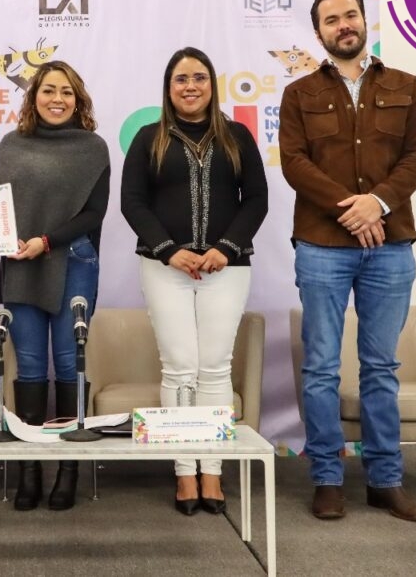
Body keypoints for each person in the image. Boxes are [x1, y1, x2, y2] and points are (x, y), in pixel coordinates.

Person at [279, 0, 416, 522]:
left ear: (365, 21)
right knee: (321, 367)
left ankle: (386, 481)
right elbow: (294, 162)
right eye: (331, 19)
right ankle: (327, 478)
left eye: (350, 15)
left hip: (391, 246)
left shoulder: (406, 86)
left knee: (381, 367)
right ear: (318, 32)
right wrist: (353, 208)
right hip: (321, 245)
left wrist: (379, 203)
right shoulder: (298, 93)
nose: (343, 25)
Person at [121, 47, 268, 516]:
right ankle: (185, 470)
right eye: (181, 79)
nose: (190, 86)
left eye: (199, 78)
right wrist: (169, 251)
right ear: (168, 88)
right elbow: (132, 203)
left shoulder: (237, 136)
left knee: (216, 368)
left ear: (211, 85)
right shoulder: (149, 138)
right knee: (179, 367)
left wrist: (226, 248)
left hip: (227, 268)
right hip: (164, 268)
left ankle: (213, 470)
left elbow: (257, 199)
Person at [0, 61, 110, 511]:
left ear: (78, 100)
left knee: (67, 363)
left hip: (72, 259)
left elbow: (93, 214)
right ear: (34, 96)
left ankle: (68, 468)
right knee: (28, 366)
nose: (57, 99)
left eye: (66, 92)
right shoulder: (11, 144)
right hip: (21, 262)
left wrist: (46, 241)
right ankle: (29, 470)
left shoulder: (93, 148)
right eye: (48, 90)